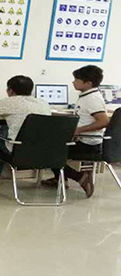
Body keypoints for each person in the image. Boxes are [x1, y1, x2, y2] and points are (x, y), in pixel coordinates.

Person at [41, 65, 109, 197]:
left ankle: (80, 177)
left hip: (87, 144)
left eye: (77, 79)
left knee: (45, 151)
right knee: (50, 142)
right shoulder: (86, 96)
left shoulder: (92, 99)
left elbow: (103, 121)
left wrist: (77, 131)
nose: (73, 82)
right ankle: (59, 179)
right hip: (83, 140)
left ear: (88, 83)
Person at [0, 75, 51, 187]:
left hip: (18, 150)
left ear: (10, 91)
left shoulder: (10, 102)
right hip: (42, 150)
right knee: (5, 128)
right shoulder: (43, 103)